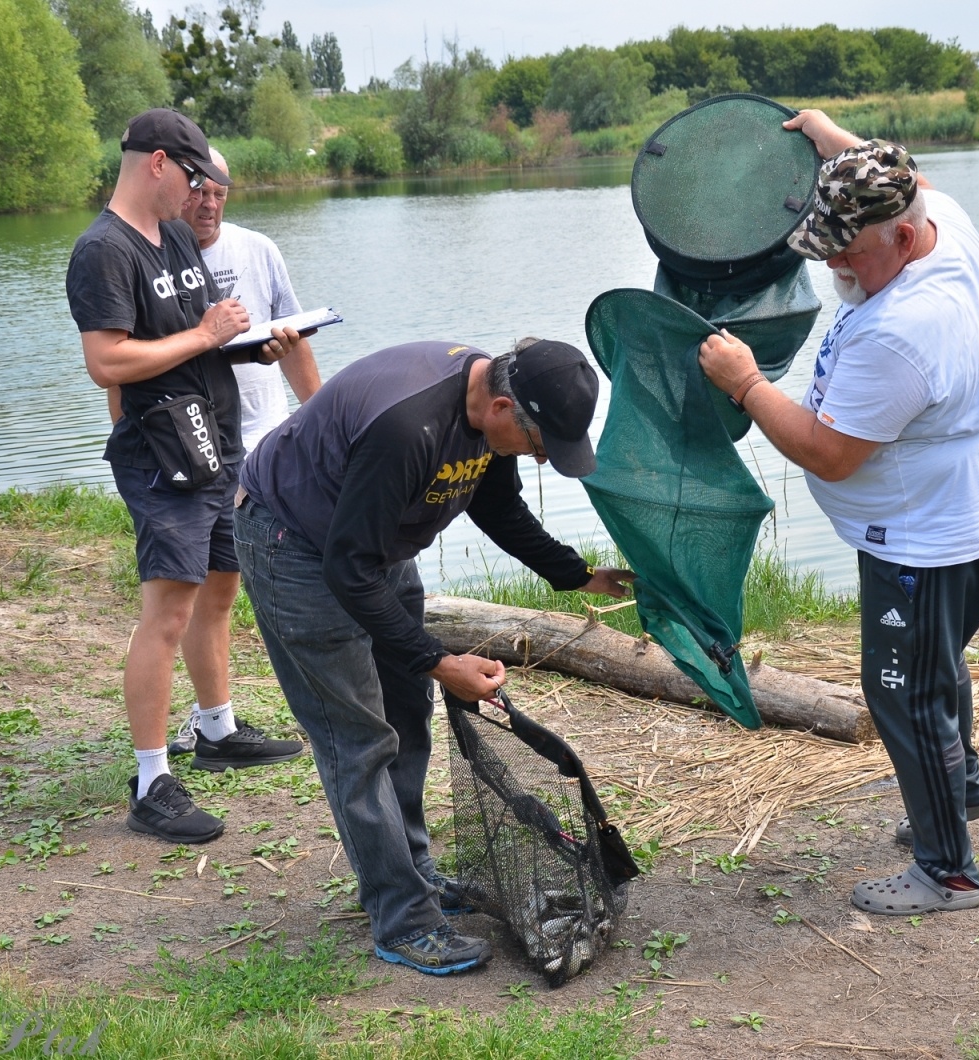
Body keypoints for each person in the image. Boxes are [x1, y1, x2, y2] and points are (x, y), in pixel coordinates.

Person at [698, 111, 979, 915]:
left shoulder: (907, 328)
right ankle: (966, 787)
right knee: (932, 669)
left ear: (904, 241)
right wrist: (836, 140)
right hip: (966, 506)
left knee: (902, 691)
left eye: (849, 253)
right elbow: (912, 178)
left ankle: (948, 871)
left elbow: (828, 452)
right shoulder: (941, 220)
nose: (836, 265)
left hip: (925, 537)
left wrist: (745, 383)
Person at [233, 337, 634, 974]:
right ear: (503, 406)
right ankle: (402, 920)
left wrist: (581, 575)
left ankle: (414, 873)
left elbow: (498, 508)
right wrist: (440, 661)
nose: (535, 457)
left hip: (374, 549)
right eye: (535, 445)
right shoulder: (408, 427)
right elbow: (347, 567)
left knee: (407, 715)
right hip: (298, 548)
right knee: (358, 740)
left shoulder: (490, 411)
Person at [66, 108, 304, 846]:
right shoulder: (102, 251)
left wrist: (246, 347)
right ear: (160, 163)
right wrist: (205, 334)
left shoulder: (172, 237)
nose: (201, 196)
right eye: (194, 177)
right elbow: (108, 360)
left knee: (220, 589)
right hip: (160, 453)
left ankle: (216, 729)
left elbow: (194, 339)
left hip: (215, 442)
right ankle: (150, 781)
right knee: (166, 614)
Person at [162, 145, 323, 758]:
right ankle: (207, 726)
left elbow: (297, 338)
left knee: (247, 582)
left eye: (218, 193)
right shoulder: (151, 259)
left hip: (265, 444)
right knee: (194, 590)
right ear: (174, 183)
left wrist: (324, 417)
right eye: (197, 190)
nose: (207, 204)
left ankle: (219, 724)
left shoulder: (258, 251)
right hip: (190, 446)